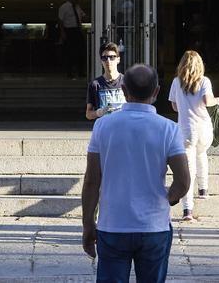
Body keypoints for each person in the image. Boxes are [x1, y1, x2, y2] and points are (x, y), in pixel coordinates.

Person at [82, 64, 190, 283]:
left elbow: (92, 181)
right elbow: (183, 181)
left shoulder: (103, 126)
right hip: (154, 226)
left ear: (123, 90)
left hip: (113, 224)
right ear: (157, 91)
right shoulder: (169, 129)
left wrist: (87, 225)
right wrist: (167, 199)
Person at [168, 50, 219, 223]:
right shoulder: (204, 81)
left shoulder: (176, 82)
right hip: (204, 128)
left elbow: (174, 107)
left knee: (187, 168)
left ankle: (187, 209)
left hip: (186, 129)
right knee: (202, 155)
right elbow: (207, 101)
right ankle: (203, 189)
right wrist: (217, 101)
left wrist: (185, 105)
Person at [85, 43, 125, 121]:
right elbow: (88, 114)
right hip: (104, 129)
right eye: (104, 58)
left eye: (112, 57)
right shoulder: (95, 84)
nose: (108, 61)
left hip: (124, 128)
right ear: (101, 61)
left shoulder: (127, 82)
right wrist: (98, 113)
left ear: (118, 59)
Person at [58, 0, 87, 77]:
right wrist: (62, 32)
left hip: (77, 30)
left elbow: (82, 15)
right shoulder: (64, 7)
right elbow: (60, 20)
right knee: (70, 52)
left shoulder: (77, 7)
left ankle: (80, 71)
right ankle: (69, 72)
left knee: (80, 51)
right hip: (69, 30)